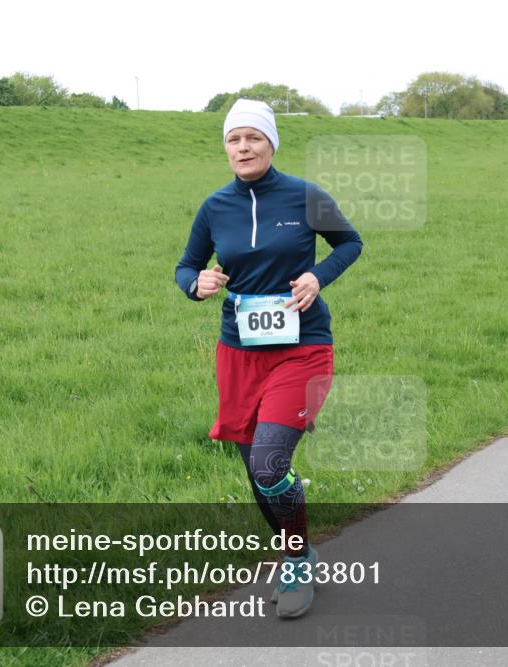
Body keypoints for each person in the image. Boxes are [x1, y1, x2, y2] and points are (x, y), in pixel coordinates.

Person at [175, 99, 363, 618]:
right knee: (256, 471)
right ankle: (293, 538)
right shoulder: (215, 207)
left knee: (267, 461)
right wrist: (197, 283)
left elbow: (350, 243)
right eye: (234, 140)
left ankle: (298, 560)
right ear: (225, 149)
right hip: (238, 352)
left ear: (271, 143)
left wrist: (316, 276)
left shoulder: (305, 195)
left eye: (253, 138)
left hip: (302, 348)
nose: (243, 147)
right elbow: (186, 265)